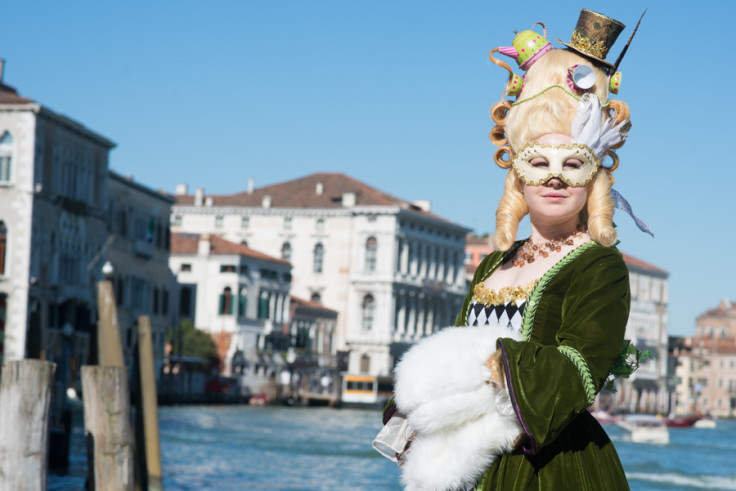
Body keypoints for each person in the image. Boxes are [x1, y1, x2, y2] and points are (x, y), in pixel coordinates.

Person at [378, 9, 645, 490]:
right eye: (539, 161)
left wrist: (493, 362)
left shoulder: (599, 267)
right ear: (518, 173)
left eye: (574, 162)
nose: (556, 177)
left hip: (549, 465)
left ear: (596, 174)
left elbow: (580, 370)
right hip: (465, 463)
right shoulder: (495, 264)